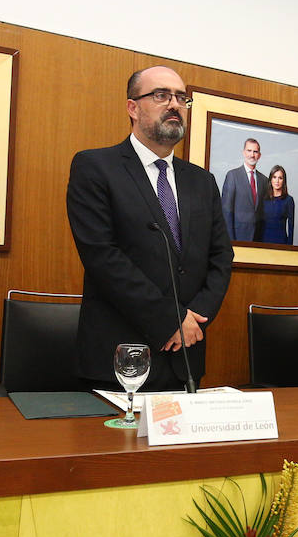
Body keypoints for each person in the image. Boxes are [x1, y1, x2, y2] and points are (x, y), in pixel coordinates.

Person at [65, 65, 233, 391]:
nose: (174, 104)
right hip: (119, 359)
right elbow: (103, 257)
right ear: (132, 107)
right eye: (161, 95)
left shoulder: (202, 181)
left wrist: (195, 316)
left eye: (181, 98)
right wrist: (170, 320)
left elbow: (221, 256)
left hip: (185, 357)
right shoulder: (95, 167)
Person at [220, 138, 266, 242]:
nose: (252, 155)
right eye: (249, 151)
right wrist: (230, 240)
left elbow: (264, 213)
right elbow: (226, 211)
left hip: (259, 239)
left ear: (259, 155)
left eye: (255, 151)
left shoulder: (264, 180)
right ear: (243, 153)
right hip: (238, 236)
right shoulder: (232, 176)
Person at [255, 165, 295, 245]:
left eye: (280, 178)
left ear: (284, 181)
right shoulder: (263, 199)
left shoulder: (288, 200)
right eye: (274, 177)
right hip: (263, 241)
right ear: (270, 179)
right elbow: (258, 224)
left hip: (281, 242)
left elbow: (291, 227)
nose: (277, 181)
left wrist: (290, 247)